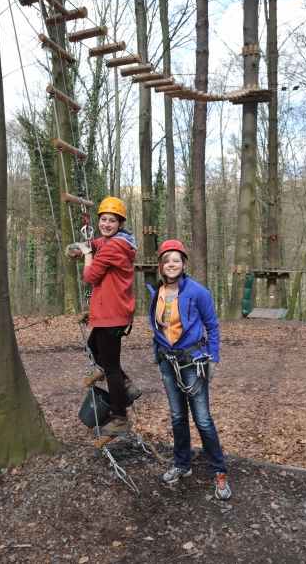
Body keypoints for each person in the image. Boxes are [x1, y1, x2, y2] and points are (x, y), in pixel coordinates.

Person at [146, 240, 231, 501]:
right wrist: (158, 356)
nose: (171, 264)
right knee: (177, 417)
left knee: (203, 419)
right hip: (168, 363)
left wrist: (212, 358)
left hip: (193, 364)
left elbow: (212, 326)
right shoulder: (157, 292)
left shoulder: (198, 292)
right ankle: (182, 464)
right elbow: (160, 329)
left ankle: (219, 471)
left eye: (176, 260)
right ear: (161, 265)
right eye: (166, 260)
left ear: (184, 264)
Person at [79, 197, 141, 437]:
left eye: (111, 221)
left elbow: (91, 276)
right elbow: (98, 242)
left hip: (111, 313)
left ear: (120, 223)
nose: (106, 224)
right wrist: (86, 244)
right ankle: (125, 385)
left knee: (112, 368)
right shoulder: (116, 241)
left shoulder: (114, 247)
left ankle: (119, 418)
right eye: (103, 220)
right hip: (115, 311)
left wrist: (86, 253)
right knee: (93, 346)